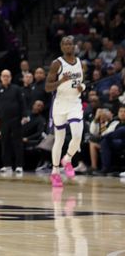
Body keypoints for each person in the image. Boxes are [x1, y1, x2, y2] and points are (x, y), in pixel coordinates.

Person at [45, 36, 85, 187]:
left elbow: (82, 83)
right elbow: (47, 87)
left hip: (75, 103)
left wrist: (83, 88)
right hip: (60, 104)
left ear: (74, 46)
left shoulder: (80, 63)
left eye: (70, 44)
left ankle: (67, 159)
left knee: (77, 136)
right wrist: (61, 81)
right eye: (65, 44)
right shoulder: (57, 64)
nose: (68, 46)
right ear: (62, 47)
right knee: (59, 139)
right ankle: (55, 172)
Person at [0, 69, 28, 175]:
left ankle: (19, 165)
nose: (5, 78)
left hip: (16, 119)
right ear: (1, 77)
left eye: (7, 76)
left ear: (10, 77)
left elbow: (22, 103)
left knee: (17, 143)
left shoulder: (16, 89)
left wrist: (24, 115)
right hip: (3, 121)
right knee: (5, 143)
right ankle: (7, 165)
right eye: (4, 76)